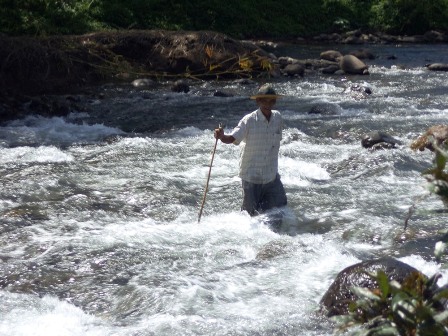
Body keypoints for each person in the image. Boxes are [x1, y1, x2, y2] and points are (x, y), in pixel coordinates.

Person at [214, 84, 287, 218]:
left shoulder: (278, 118)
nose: (268, 103)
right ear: (258, 101)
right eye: (264, 100)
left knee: (280, 210)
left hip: (271, 175)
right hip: (251, 176)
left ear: (275, 102)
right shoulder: (249, 120)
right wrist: (221, 136)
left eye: (271, 100)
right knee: (249, 216)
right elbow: (232, 138)